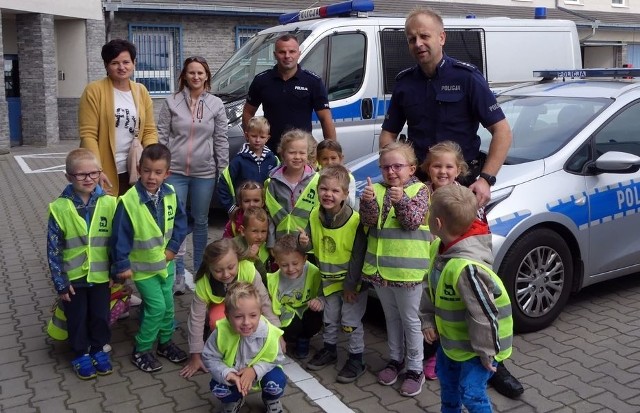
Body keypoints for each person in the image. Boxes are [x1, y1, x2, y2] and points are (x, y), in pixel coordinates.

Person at [379, 7, 512, 207]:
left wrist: (486, 180)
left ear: (442, 37)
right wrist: (395, 170)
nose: (418, 44)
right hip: (419, 185)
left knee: (459, 239)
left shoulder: (467, 78)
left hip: (461, 184)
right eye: (411, 39)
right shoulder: (404, 83)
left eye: (424, 36)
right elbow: (388, 134)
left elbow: (502, 131)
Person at [420, 184, 514, 412]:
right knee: (448, 385)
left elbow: (484, 313)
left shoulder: (466, 268)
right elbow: (429, 287)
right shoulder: (438, 249)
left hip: (480, 347)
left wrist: (486, 353)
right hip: (453, 342)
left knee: (471, 395)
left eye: (429, 211)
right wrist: (428, 321)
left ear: (438, 223)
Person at [359, 141, 431, 397]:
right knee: (391, 318)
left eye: (397, 166)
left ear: (411, 169)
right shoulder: (376, 189)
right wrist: (366, 203)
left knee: (411, 321)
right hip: (381, 271)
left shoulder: (421, 190)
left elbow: (411, 222)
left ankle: (415, 368)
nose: (391, 172)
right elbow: (369, 223)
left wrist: (400, 201)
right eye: (385, 167)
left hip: (408, 273)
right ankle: (395, 359)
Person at [110, 143, 189, 373]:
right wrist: (122, 265)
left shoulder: (171, 194)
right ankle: (142, 349)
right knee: (156, 308)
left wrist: (173, 248)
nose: (151, 177)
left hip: (166, 265)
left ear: (167, 174)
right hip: (143, 270)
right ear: (138, 168)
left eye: (157, 172)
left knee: (168, 308)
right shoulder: (128, 201)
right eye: (146, 170)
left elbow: (181, 224)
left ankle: (164, 344)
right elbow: (119, 237)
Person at [157, 55, 229, 294]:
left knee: (200, 222)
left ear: (207, 75)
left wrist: (223, 170)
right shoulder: (171, 102)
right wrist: (161, 169)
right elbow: (162, 137)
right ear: (184, 76)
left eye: (200, 73)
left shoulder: (216, 104)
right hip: (175, 172)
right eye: (191, 73)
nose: (196, 77)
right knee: (176, 222)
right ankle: (177, 273)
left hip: (204, 173)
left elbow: (220, 139)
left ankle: (200, 270)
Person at [47, 148, 114, 380]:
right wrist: (60, 282)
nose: (88, 179)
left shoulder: (109, 204)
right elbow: (54, 249)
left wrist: (114, 271)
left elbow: (115, 242)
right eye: (81, 175)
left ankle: (98, 349)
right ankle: (79, 353)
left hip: (101, 275)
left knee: (100, 315)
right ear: (68, 177)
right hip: (73, 278)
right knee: (77, 316)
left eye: (93, 173)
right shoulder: (59, 208)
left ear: (100, 173)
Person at [298, 165, 368, 383]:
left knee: (350, 321)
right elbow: (305, 248)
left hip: (351, 285)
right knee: (329, 319)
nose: (328, 194)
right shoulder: (314, 215)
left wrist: (351, 286)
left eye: (335, 191)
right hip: (328, 282)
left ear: (346, 194)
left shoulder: (356, 221)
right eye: (323, 189)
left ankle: (357, 358)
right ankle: (330, 350)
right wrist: (302, 244)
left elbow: (358, 256)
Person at [180, 238, 279, 379]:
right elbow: (196, 319)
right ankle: (223, 346)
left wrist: (277, 333)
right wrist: (196, 355)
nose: (226, 274)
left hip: (245, 305)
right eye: (218, 270)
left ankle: (249, 343)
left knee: (253, 315)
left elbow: (264, 301)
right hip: (223, 308)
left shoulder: (249, 269)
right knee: (217, 320)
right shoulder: (204, 282)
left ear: (238, 259)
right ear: (209, 267)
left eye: (231, 267)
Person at [79, 38, 158, 197]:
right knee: (107, 217)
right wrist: (96, 170)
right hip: (105, 170)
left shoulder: (140, 91)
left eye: (126, 62)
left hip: (134, 169)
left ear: (134, 63)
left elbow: (149, 130)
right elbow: (88, 135)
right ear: (106, 66)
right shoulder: (94, 91)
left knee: (131, 217)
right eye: (115, 63)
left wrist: (150, 161)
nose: (122, 67)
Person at [242, 34, 336, 153]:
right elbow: (248, 112)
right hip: (270, 153)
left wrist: (332, 151)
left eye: (292, 51)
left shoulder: (313, 82)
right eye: (282, 52)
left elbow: (325, 118)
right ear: (275, 55)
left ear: (298, 53)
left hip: (301, 153)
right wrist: (251, 140)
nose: (287, 56)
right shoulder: (262, 81)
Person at [202, 282, 286, 413]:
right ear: (227, 315)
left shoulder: (268, 332)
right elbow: (209, 356)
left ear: (260, 313)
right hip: (234, 373)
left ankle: (271, 399)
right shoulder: (221, 332)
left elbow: (277, 358)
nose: (246, 322)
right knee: (219, 387)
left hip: (262, 372)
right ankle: (234, 400)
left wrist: (254, 371)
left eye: (253, 315)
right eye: (238, 316)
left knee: (275, 382)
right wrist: (226, 373)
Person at [266, 234, 323, 359]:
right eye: (284, 265)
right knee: (292, 325)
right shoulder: (272, 280)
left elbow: (323, 293)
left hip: (307, 311)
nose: (290, 269)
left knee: (316, 315)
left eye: (295, 263)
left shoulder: (314, 272)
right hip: (288, 315)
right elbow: (272, 308)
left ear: (304, 259)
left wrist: (319, 301)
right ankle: (291, 338)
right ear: (276, 261)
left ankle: (304, 339)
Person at [264, 129, 319, 250]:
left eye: (302, 153)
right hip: (281, 245)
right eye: (292, 152)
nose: (297, 157)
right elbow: (270, 217)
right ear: (283, 154)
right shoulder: (273, 183)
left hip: (308, 245)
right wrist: (272, 244)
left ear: (308, 154)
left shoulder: (316, 181)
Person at [218, 116, 278, 217]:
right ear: (246, 135)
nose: (258, 140)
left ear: (268, 138)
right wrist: (231, 207)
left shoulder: (273, 160)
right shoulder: (238, 160)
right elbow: (223, 182)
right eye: (254, 136)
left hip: (266, 213)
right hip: (244, 213)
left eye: (262, 137)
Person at [233, 206, 270, 281]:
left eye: (263, 231)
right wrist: (251, 257)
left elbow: (264, 278)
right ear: (242, 231)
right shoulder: (234, 247)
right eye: (255, 231)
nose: (260, 236)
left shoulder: (266, 246)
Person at [316, 140, 356, 207]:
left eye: (333, 158)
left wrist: (343, 192)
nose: (329, 162)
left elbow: (351, 204)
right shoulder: (315, 177)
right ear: (318, 160)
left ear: (340, 158)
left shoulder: (349, 178)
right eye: (325, 159)